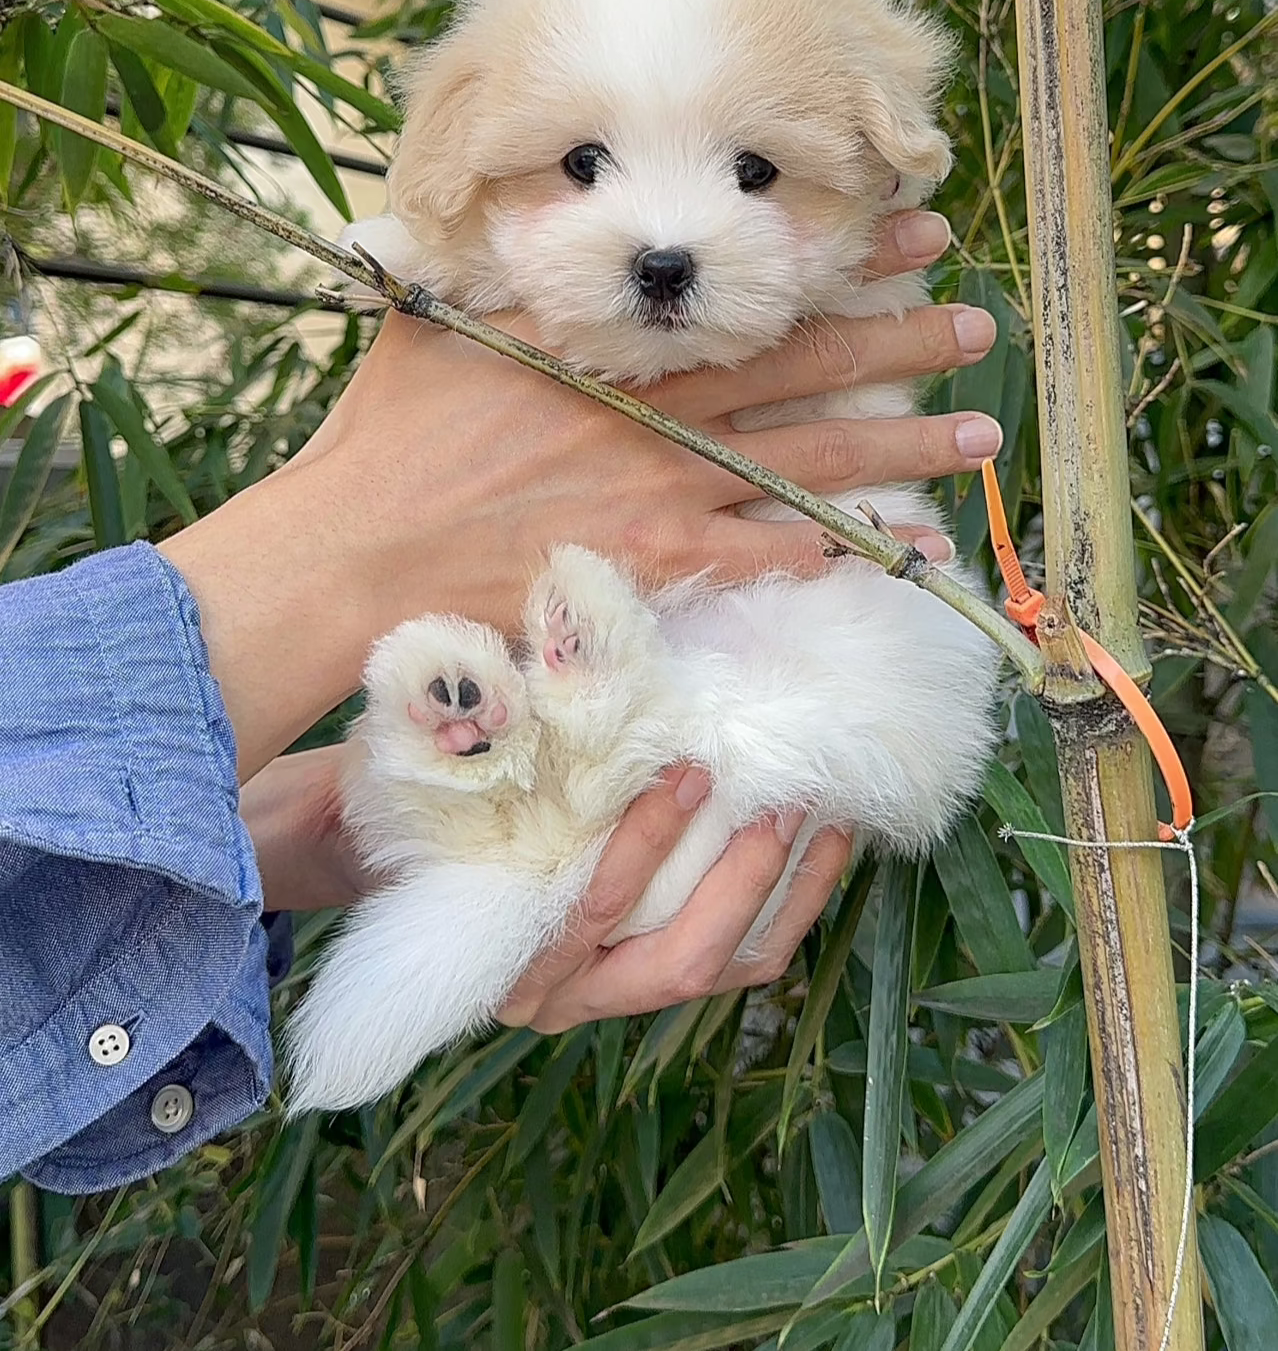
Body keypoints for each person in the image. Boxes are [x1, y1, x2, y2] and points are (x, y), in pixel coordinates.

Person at [0, 209, 1001, 1191]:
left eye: (752, 174)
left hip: (780, 677)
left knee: (707, 733)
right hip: (683, 694)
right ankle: (540, 767)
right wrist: (339, 545)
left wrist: (295, 822)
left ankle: (520, 782)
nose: (668, 232)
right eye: (583, 167)